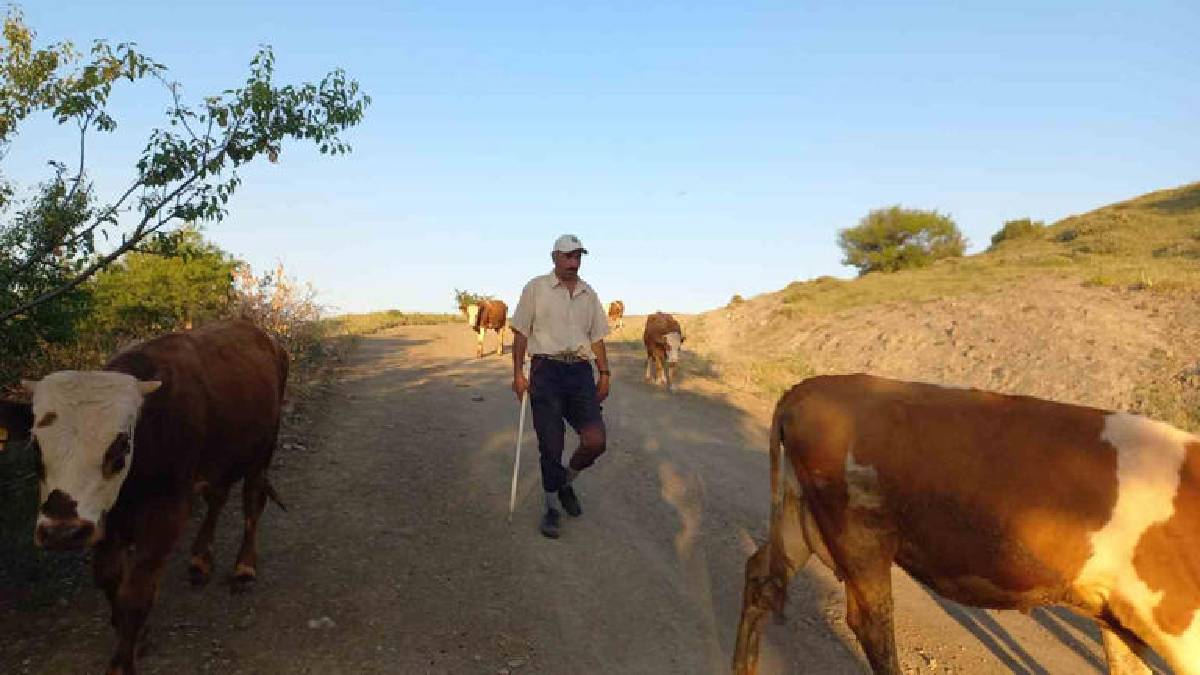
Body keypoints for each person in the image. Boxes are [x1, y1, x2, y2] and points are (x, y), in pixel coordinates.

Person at [509, 234, 612, 539]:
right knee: (551, 444)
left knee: (595, 440)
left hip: (579, 371)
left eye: (578, 256)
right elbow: (521, 333)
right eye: (567, 256)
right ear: (554, 257)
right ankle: (552, 506)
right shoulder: (536, 288)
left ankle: (566, 480)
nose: (573, 262)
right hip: (546, 370)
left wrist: (604, 373)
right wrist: (517, 374)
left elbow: (597, 337)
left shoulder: (588, 293)